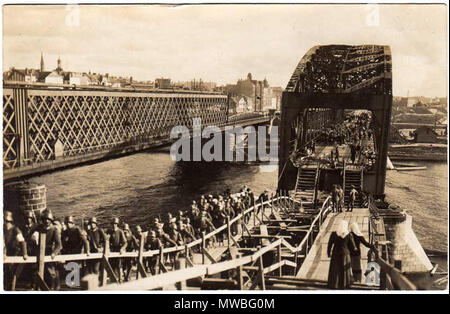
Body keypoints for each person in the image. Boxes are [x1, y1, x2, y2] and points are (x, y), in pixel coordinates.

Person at [31, 210, 62, 290]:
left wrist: (54, 253)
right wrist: (33, 237)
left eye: (48, 220)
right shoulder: (39, 228)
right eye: (45, 220)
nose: (46, 221)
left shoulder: (54, 230)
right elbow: (31, 237)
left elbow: (59, 244)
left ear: (51, 221)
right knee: (38, 270)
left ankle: (52, 287)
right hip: (39, 251)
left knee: (51, 272)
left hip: (49, 251)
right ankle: (38, 287)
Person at [327, 220, 356, 289]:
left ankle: (334, 284)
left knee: (335, 269)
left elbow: (329, 245)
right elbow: (352, 246)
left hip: (335, 254)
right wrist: (351, 252)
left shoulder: (334, 234)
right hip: (345, 254)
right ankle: (344, 284)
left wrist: (328, 253)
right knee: (344, 269)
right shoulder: (348, 235)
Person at [3, 211, 28, 291]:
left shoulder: (15, 230)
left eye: (6, 221)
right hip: (7, 254)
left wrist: (24, 254)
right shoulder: (3, 229)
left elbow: (22, 242)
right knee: (6, 274)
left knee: (13, 275)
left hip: (15, 254)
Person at [107, 218, 127, 283]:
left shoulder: (120, 231)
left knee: (119, 265)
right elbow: (106, 240)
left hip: (118, 250)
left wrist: (122, 249)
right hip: (111, 251)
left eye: (115, 224)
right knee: (112, 266)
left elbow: (125, 243)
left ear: (117, 224)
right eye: (112, 224)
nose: (114, 225)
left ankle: (120, 280)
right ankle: (114, 280)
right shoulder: (109, 231)